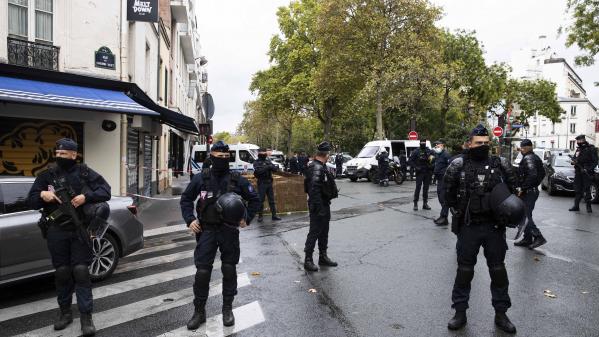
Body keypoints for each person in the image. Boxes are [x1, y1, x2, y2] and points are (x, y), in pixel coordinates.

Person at [28, 138, 111, 336]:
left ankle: (86, 316)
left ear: (74, 154)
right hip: (56, 230)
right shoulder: (46, 175)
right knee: (63, 272)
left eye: (64, 154)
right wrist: (42, 195)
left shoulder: (84, 172)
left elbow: (105, 191)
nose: (59, 157)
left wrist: (86, 197)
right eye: (57, 153)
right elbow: (30, 201)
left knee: (81, 271)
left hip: (79, 229)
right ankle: (65, 313)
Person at [443, 124, 518, 333]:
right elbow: (446, 193)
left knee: (498, 271)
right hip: (469, 227)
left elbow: (513, 190)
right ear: (469, 143)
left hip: (494, 227)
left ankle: (501, 313)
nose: (482, 146)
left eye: (486, 143)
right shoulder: (458, 164)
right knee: (464, 271)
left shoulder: (500, 163)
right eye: (478, 143)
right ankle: (460, 312)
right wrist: (458, 212)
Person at [180, 141, 261, 329]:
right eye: (219, 157)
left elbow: (254, 199)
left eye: (227, 157)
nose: (224, 160)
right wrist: (190, 219)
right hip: (206, 230)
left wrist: (246, 218)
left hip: (229, 231)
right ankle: (199, 312)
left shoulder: (237, 179)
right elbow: (185, 199)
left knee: (229, 269)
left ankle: (227, 309)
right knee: (202, 272)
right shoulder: (201, 178)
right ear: (211, 157)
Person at [303, 141, 339, 272]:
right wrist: (319, 208)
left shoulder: (318, 166)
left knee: (323, 232)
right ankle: (308, 260)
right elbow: (314, 190)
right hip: (319, 206)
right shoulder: (317, 167)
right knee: (314, 232)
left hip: (323, 204)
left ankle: (323, 257)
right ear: (326, 154)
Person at [514, 139, 547, 249]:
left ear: (527, 147)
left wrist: (523, 188)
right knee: (526, 215)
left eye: (522, 148)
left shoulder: (528, 158)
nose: (521, 150)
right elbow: (542, 173)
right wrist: (534, 184)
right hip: (532, 190)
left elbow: (532, 175)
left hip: (528, 192)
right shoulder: (535, 157)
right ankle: (527, 239)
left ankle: (538, 237)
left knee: (525, 216)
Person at [569, 135, 598, 213]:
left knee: (587, 189)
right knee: (577, 189)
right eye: (577, 141)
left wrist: (588, 169)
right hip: (578, 172)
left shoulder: (591, 148)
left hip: (586, 173)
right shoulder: (578, 149)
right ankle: (576, 206)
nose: (578, 142)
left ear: (583, 140)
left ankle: (589, 207)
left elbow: (595, 162)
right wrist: (573, 162)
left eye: (579, 140)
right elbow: (575, 158)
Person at [253, 148, 282, 222]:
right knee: (261, 200)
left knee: (271, 200)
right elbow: (259, 171)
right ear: (259, 154)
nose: (264, 154)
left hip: (269, 182)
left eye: (265, 153)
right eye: (262, 153)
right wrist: (267, 167)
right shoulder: (256, 162)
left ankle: (274, 215)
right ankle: (260, 216)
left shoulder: (268, 161)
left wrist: (272, 167)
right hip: (262, 183)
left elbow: (275, 169)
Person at [409, 140, 435, 210]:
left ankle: (425, 203)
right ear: (420, 144)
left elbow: (434, 160)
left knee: (426, 188)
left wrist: (431, 166)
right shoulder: (416, 151)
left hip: (427, 172)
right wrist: (416, 167)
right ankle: (415, 203)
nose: (423, 144)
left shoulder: (429, 151)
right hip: (419, 172)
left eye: (424, 143)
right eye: (422, 143)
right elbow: (410, 161)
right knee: (418, 188)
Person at [433, 140, 451, 226]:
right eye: (436, 147)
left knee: (443, 198)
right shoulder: (437, 155)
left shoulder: (446, 155)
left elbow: (450, 166)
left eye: (438, 146)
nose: (437, 148)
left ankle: (444, 217)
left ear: (442, 146)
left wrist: (444, 174)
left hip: (444, 179)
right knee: (440, 197)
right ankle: (443, 216)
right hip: (439, 179)